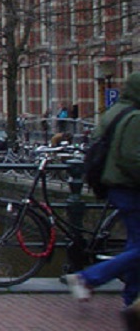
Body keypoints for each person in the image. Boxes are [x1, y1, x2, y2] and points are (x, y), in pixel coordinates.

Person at [66, 71, 140, 326]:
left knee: (135, 245)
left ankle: (132, 299)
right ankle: (89, 277)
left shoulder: (113, 112)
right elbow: (132, 158)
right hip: (129, 187)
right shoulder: (135, 117)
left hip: (112, 185)